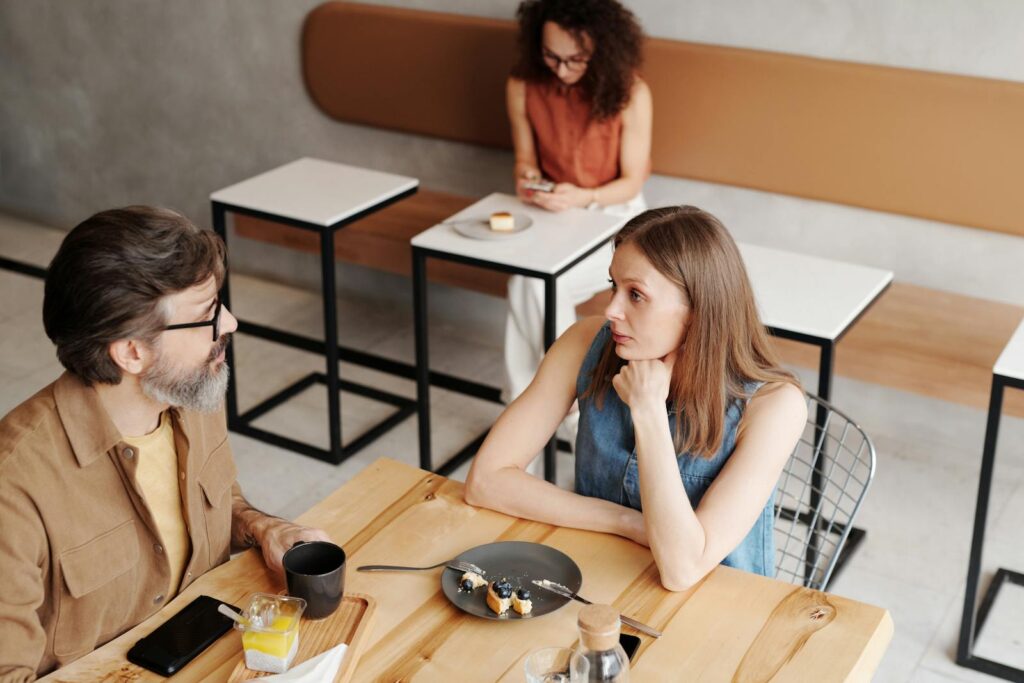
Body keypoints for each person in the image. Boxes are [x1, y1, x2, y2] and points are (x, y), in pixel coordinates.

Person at [0, 207, 330, 680]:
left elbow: (216, 502)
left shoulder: (189, 393)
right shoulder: (13, 486)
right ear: (132, 352)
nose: (230, 324)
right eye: (207, 315)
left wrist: (262, 528)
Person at [466, 206, 808, 590]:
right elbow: (485, 480)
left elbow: (682, 571)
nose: (611, 309)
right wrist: (626, 522)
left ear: (698, 310)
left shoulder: (775, 406)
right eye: (613, 286)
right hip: (600, 579)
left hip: (716, 612)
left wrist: (648, 411)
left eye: (636, 295)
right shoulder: (584, 343)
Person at [505, 0, 653, 404]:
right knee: (528, 280)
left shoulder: (631, 92)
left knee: (538, 283)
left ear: (601, 49)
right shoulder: (522, 85)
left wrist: (585, 196)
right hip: (555, 212)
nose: (562, 69)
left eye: (576, 59)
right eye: (551, 56)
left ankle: (544, 404)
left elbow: (631, 181)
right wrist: (530, 181)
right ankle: (555, 404)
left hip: (616, 215)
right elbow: (525, 161)